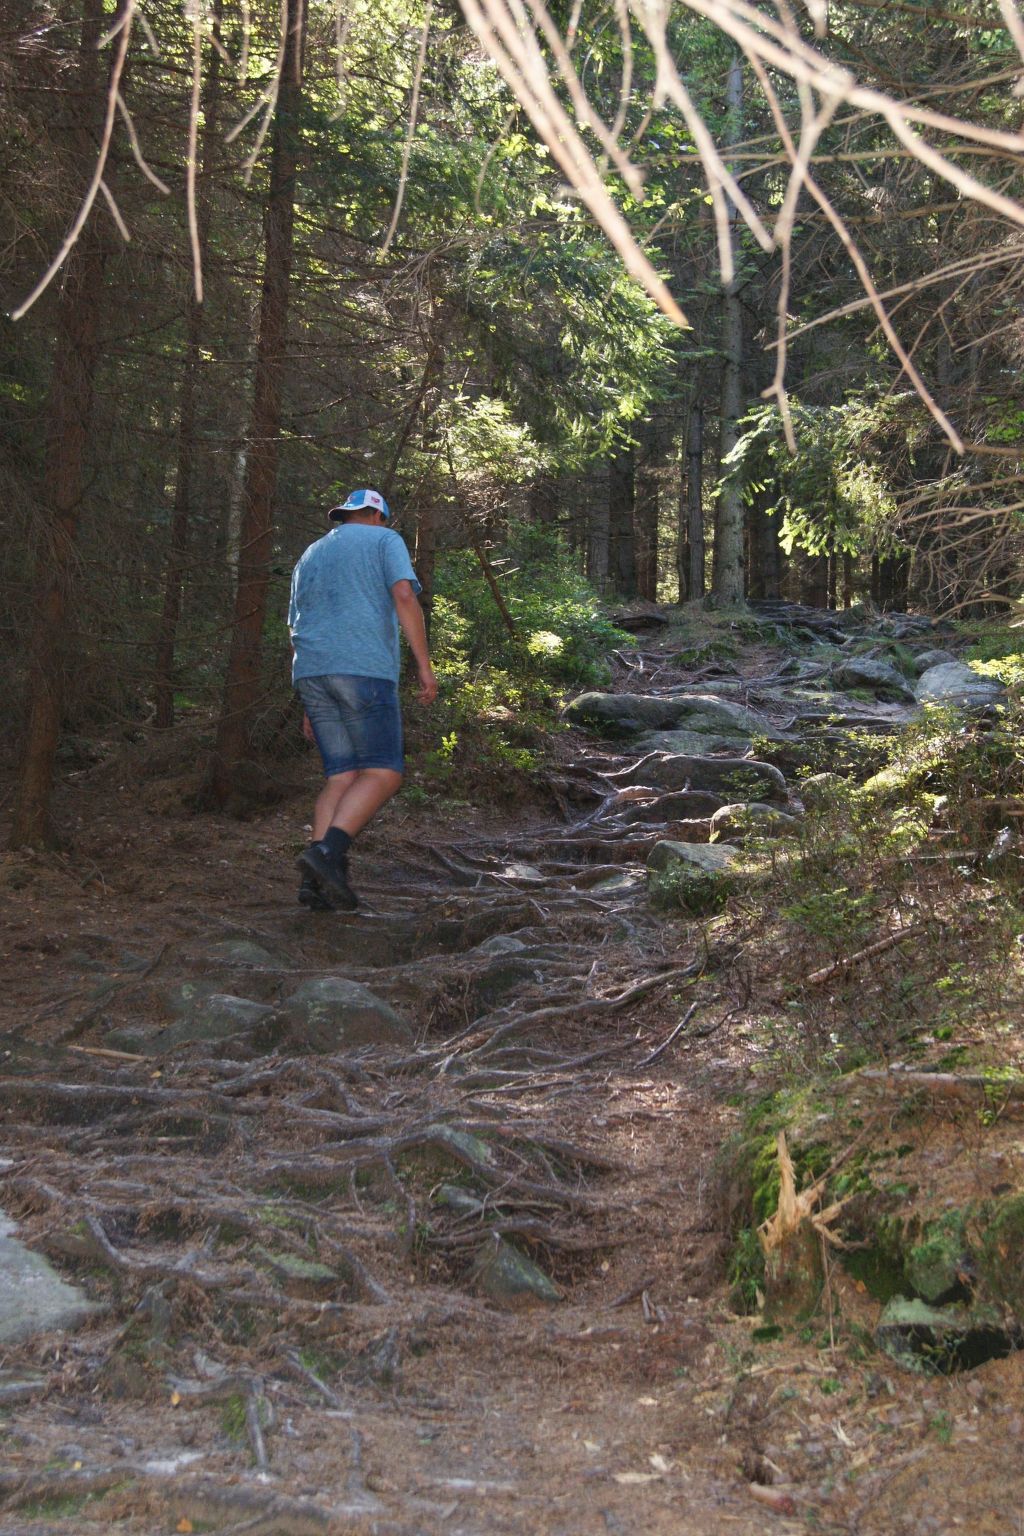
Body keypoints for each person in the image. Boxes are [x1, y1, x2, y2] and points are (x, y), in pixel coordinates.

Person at [288, 488, 437, 911]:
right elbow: (404, 596)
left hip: (313, 672)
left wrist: (306, 697)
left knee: (341, 777)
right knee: (384, 772)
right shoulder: (384, 540)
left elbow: (295, 623)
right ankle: (326, 853)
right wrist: (424, 666)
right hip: (363, 669)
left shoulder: (310, 554)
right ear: (377, 515)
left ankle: (315, 885)